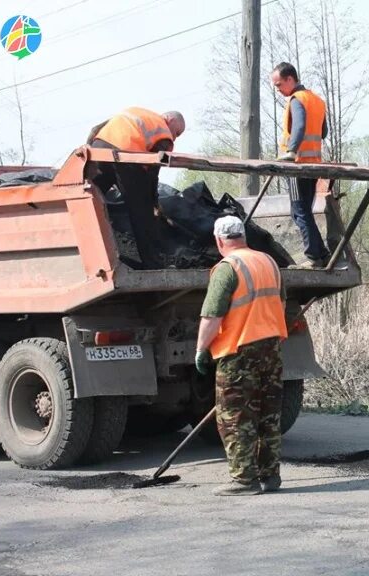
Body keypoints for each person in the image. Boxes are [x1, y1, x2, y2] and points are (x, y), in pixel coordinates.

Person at [195, 215, 289, 496]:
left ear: (219, 240)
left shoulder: (227, 267)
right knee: (268, 414)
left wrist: (201, 349)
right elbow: (280, 301)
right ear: (243, 236)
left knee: (235, 417)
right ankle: (270, 476)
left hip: (239, 351)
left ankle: (244, 480)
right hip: (271, 347)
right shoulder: (269, 262)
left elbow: (212, 315)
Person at [87, 107, 185, 269]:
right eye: (178, 132)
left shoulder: (137, 113)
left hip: (99, 148)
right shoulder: (162, 132)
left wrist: (89, 153)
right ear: (170, 119)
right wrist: (153, 202)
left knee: (91, 198)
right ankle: (153, 263)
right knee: (141, 212)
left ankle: (87, 252)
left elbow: (95, 129)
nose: (175, 137)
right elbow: (153, 170)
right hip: (126, 157)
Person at [270, 62, 331, 268]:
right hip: (314, 165)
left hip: (297, 165)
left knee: (299, 211)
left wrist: (291, 151)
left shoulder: (297, 100)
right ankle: (321, 253)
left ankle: (314, 256)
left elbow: (299, 126)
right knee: (304, 210)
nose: (278, 90)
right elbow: (323, 132)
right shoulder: (317, 100)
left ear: (290, 79)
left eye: (279, 85)